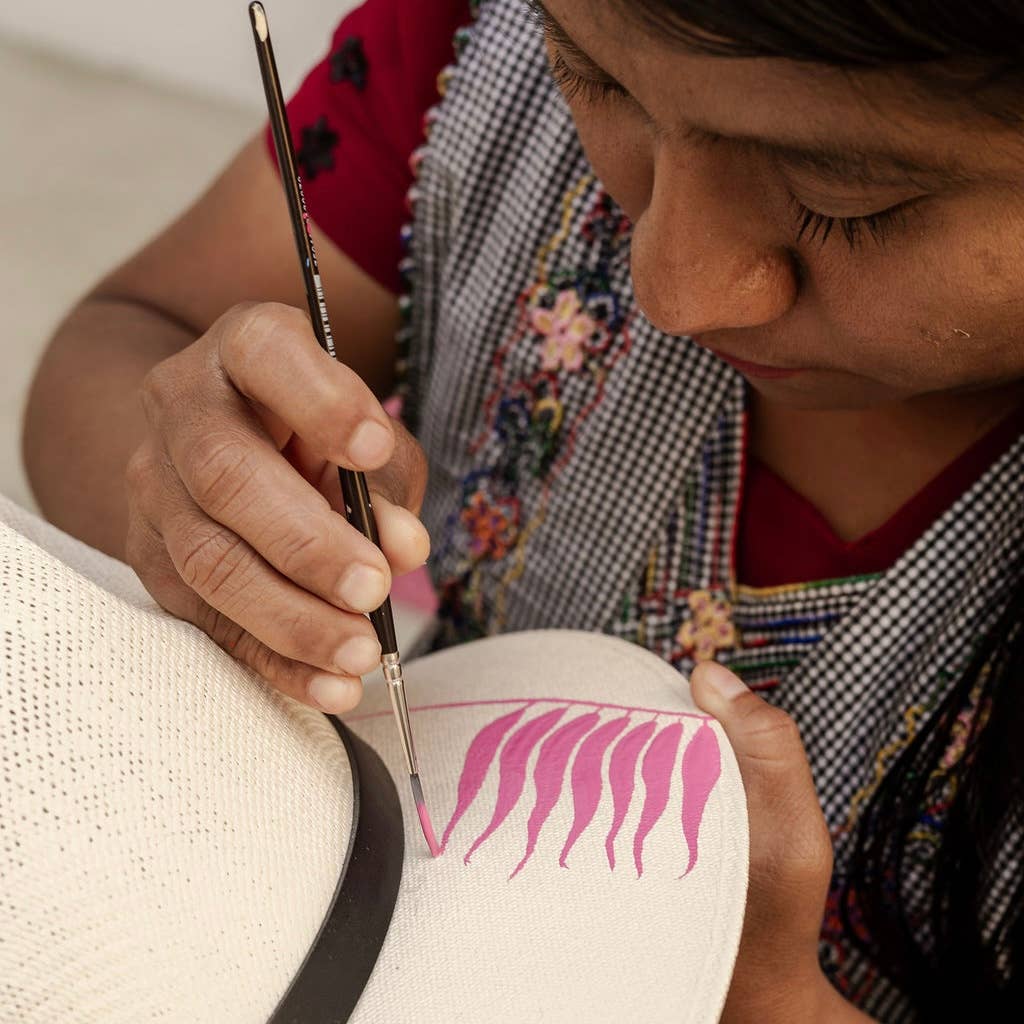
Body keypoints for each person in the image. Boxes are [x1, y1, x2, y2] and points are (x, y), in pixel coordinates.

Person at [21, 0, 1024, 1019]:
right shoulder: (468, 42)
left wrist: (767, 1003)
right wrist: (205, 500)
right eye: (600, 84)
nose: (669, 285)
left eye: (844, 200)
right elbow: (140, 329)